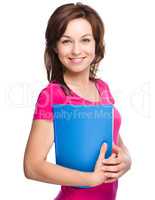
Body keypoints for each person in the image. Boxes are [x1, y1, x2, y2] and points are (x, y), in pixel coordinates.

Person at [23, 2, 132, 200]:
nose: (76, 50)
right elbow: (32, 166)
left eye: (85, 40)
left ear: (96, 44)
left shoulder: (103, 88)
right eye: (66, 41)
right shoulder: (53, 95)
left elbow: (112, 140)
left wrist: (126, 158)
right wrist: (91, 180)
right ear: (55, 46)